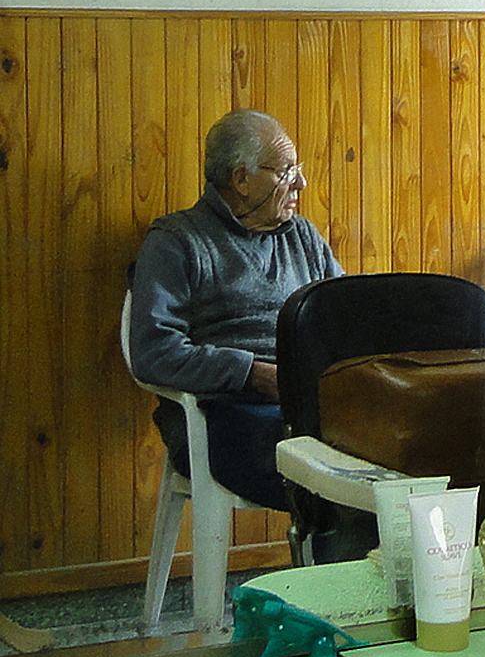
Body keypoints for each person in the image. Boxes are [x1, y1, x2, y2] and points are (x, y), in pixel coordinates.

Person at [129, 108, 339, 514]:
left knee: (384, 446)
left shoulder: (303, 237)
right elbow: (153, 351)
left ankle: (350, 565)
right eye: (285, 170)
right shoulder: (177, 241)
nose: (301, 182)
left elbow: (344, 316)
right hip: (217, 416)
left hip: (305, 405)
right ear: (241, 179)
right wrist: (254, 375)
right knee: (320, 469)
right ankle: (331, 564)